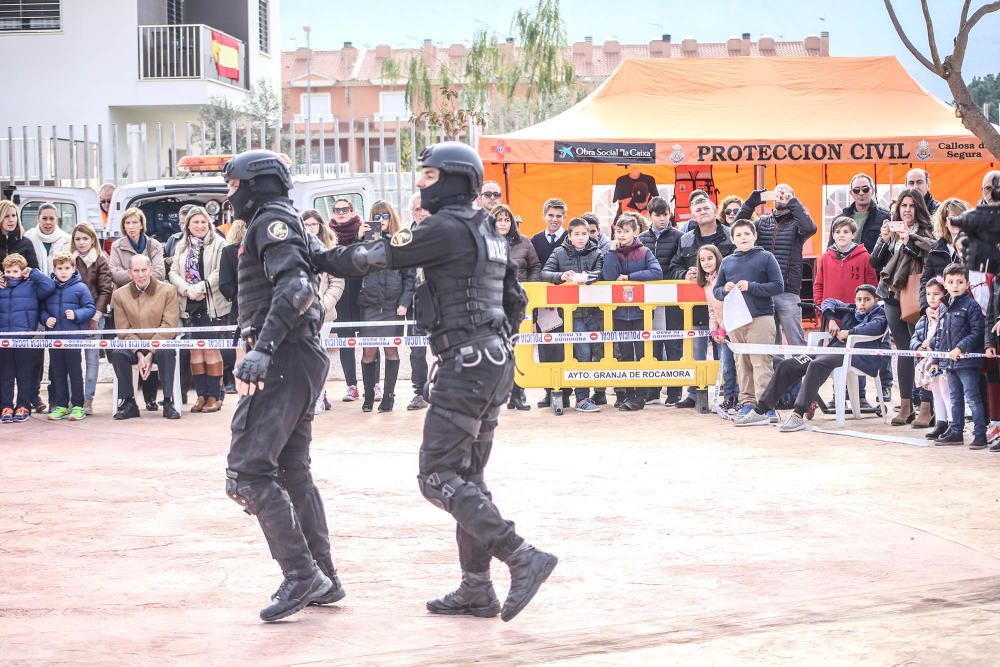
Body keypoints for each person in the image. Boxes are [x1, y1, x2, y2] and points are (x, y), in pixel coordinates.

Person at [315, 141, 558, 623]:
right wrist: (497, 341)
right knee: (468, 478)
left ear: (451, 180)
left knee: (437, 476)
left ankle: (520, 555)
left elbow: (375, 257)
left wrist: (316, 257)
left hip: (464, 364)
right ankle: (476, 589)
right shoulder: (486, 229)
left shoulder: (445, 227)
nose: (420, 182)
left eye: (428, 175)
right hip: (492, 361)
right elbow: (515, 297)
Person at [222, 150, 344, 622]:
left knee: (248, 472)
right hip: (298, 355)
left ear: (255, 184)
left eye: (234, 184)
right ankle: (323, 576)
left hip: (285, 356)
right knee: (292, 469)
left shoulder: (270, 222)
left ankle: (301, 574)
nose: (229, 193)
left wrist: (263, 349)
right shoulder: (281, 220)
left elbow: (295, 289)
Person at [736, 284, 888, 431]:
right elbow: (828, 302)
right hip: (833, 351)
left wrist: (850, 332)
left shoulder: (879, 314)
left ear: (875, 300)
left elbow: (875, 327)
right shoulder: (851, 310)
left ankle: (798, 414)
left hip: (857, 355)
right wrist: (831, 319)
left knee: (816, 364)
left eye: (867, 299)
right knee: (787, 365)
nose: (862, 303)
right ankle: (761, 410)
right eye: (859, 299)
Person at [870, 189, 934, 425]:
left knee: (922, 351)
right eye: (902, 205)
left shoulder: (925, 233)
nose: (906, 209)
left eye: (911, 205)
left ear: (919, 208)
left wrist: (910, 242)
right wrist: (883, 239)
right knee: (904, 352)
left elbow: (930, 258)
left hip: (916, 295)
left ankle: (927, 406)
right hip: (891, 296)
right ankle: (906, 405)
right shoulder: (893, 233)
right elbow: (874, 262)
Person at [669, 195, 735, 408]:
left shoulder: (730, 236)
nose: (702, 211)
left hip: (725, 307)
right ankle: (695, 394)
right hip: (696, 308)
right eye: (697, 209)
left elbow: (738, 265)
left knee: (725, 352)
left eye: (706, 207)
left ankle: (729, 395)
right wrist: (684, 275)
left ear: (715, 211)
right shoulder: (685, 239)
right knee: (696, 352)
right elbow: (673, 267)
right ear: (693, 216)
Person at [718, 219, 784, 422]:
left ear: (754, 236)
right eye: (738, 235)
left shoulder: (766, 257)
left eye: (747, 234)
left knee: (761, 361)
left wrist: (752, 287)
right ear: (732, 239)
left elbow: (778, 286)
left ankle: (767, 406)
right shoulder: (727, 262)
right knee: (742, 362)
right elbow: (717, 290)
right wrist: (724, 289)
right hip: (736, 320)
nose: (743, 238)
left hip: (760, 317)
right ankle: (748, 403)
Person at [737, 184, 816, 348]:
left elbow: (810, 228)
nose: (782, 195)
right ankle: (777, 374)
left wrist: (792, 202)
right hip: (763, 291)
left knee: (796, 341)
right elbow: (737, 229)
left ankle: (800, 373)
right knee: (771, 342)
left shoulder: (797, 224)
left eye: (787, 193)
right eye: (778, 192)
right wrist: (750, 203)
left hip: (788, 290)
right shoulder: (760, 223)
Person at [168, 206, 230, 413]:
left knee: (210, 348)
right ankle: (201, 396)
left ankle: (214, 396)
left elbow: (221, 271)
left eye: (203, 222)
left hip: (210, 303)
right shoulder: (181, 246)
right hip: (188, 303)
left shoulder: (219, 243)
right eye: (195, 222)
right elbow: (173, 272)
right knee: (195, 350)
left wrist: (199, 287)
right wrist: (186, 289)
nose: (200, 226)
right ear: (188, 225)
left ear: (209, 223)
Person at [356, 200, 414, 413]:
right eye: (376, 217)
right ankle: (369, 396)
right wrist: (359, 239)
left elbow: (410, 276)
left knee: (391, 349)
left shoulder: (400, 242)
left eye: (384, 216)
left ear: (391, 218)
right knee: (368, 351)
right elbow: (353, 266)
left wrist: (404, 302)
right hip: (370, 304)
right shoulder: (365, 243)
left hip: (393, 306)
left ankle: (388, 397)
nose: (381, 221)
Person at [542, 216, 604, 413]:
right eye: (576, 234)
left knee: (596, 352)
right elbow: (545, 273)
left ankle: (592, 394)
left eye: (584, 233)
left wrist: (590, 277)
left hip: (594, 311)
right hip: (571, 314)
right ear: (569, 236)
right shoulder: (559, 252)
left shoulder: (596, 251)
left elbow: (603, 271)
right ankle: (581, 398)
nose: (581, 237)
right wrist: (560, 276)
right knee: (582, 353)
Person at [602, 213, 663, 411]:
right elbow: (609, 276)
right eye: (618, 231)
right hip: (619, 313)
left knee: (644, 353)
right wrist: (611, 253)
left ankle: (641, 396)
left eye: (626, 231)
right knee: (625, 353)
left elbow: (656, 272)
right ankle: (628, 393)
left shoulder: (644, 252)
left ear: (635, 232)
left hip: (641, 312)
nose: (621, 235)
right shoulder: (611, 252)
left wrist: (629, 277)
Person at [110, 254, 181, 421]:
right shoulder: (119, 295)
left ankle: (169, 401)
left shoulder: (168, 291)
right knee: (118, 354)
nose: (141, 275)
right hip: (133, 344)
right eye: (136, 271)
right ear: (129, 273)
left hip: (159, 342)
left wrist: (150, 351)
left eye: (144, 270)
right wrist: (139, 353)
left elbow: (169, 325)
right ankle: (128, 403)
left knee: (167, 353)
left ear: (151, 270)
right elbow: (123, 329)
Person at [927, 263, 987, 447]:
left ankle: (980, 435)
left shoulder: (972, 306)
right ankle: (956, 432)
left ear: (967, 284)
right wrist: (936, 359)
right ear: (944, 284)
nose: (955, 286)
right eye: (951, 282)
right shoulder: (944, 307)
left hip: (967, 363)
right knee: (955, 398)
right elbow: (939, 334)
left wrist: (961, 348)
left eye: (960, 282)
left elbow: (978, 331)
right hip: (949, 364)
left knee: (972, 397)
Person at [329, 197, 379, 403]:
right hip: (341, 295)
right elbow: (336, 259)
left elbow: (365, 259)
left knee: (371, 341)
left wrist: (359, 239)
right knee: (345, 341)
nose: (340, 212)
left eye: (344, 209)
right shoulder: (329, 234)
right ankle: (351, 386)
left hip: (362, 292)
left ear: (352, 210)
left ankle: (374, 384)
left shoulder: (365, 228)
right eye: (337, 209)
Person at [493, 203, 540, 410]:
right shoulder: (483, 242)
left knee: (516, 349)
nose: (503, 223)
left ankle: (518, 394)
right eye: (499, 219)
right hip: (491, 303)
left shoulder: (524, 242)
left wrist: (529, 287)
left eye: (506, 219)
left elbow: (535, 266)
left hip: (515, 305)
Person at [0, 254, 55, 422]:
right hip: (4, 339)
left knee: (25, 375)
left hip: (25, 339)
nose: (11, 274)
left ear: (23, 272)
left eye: (15, 271)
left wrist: (34, 273)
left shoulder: (31, 287)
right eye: (8, 271)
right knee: (5, 375)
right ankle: (6, 406)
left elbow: (49, 286)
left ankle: (23, 405)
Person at [42, 251, 96, 421]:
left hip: (73, 339)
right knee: (57, 372)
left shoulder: (81, 287)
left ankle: (78, 406)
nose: (63, 271)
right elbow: (41, 308)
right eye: (60, 268)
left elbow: (90, 308)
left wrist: (77, 314)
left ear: (74, 269)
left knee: (75, 372)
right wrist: (46, 319)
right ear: (54, 269)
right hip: (54, 339)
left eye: (67, 268)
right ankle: (61, 405)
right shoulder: (49, 288)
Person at [638, 196, 682, 405]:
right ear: (650, 215)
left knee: (674, 343)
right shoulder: (641, 238)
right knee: (651, 343)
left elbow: (678, 263)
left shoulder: (679, 237)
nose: (662, 219)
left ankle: (674, 391)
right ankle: (652, 390)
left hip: (673, 296)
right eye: (658, 215)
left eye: (665, 214)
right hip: (648, 298)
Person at [302, 209, 345, 414]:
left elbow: (337, 284)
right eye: (306, 224)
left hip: (323, 315)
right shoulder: (295, 249)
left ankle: (319, 397)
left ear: (320, 226)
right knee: (301, 359)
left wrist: (322, 305)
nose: (310, 228)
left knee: (317, 357)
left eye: (313, 224)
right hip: (299, 315)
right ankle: (305, 399)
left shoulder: (329, 250)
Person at [530, 198, 568, 409]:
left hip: (567, 301)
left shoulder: (570, 238)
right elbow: (533, 267)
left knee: (565, 345)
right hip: (543, 302)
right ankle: (549, 390)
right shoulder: (535, 240)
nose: (554, 219)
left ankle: (565, 391)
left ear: (564, 218)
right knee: (545, 346)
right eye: (551, 215)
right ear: (544, 216)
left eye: (558, 216)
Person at [72, 223, 113, 415]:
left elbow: (105, 290)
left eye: (85, 238)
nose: (81, 242)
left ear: (92, 240)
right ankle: (74, 399)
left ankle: (88, 399)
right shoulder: (70, 260)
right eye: (77, 239)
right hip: (72, 317)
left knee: (92, 358)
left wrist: (96, 316)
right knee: (72, 359)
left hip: (95, 316)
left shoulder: (101, 261)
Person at [696, 244, 739, 412]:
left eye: (709, 258)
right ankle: (730, 399)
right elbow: (711, 310)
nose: (706, 262)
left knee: (735, 365)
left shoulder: (725, 279)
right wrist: (713, 330)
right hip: (721, 330)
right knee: (727, 365)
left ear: (717, 258)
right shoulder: (706, 283)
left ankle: (739, 398)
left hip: (733, 328)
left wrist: (723, 329)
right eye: (702, 260)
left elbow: (731, 306)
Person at [912, 277, 951, 440]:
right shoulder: (924, 317)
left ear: (944, 294)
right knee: (936, 390)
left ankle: (952, 423)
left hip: (943, 359)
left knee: (946, 391)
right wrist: (918, 345)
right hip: (929, 361)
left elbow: (946, 335)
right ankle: (940, 422)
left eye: (936, 294)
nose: (932, 298)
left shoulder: (947, 312)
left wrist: (932, 343)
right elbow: (915, 336)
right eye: (928, 294)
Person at [815, 217, 878, 307]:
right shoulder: (825, 258)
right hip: (831, 314)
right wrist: (822, 310)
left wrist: (867, 310)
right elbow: (818, 286)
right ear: (833, 235)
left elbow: (872, 286)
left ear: (853, 235)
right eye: (838, 232)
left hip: (857, 314)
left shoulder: (864, 257)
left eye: (846, 232)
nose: (841, 235)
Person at [405, 192, 431, 411]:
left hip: (441, 300)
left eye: (425, 207)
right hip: (415, 302)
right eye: (417, 209)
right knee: (417, 350)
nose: (421, 212)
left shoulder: (444, 234)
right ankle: (420, 392)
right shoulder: (405, 236)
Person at [830, 173, 890, 253]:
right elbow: (830, 250)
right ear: (851, 193)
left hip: (873, 264)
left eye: (865, 189)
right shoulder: (838, 220)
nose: (861, 193)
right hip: (844, 264)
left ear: (872, 190)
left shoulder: (886, 218)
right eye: (856, 190)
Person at [24, 202, 71, 275]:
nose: (48, 222)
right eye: (44, 218)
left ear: (57, 220)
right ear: (38, 219)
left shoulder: (66, 239)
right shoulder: (28, 237)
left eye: (52, 218)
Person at [0, 201, 40, 270]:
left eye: (13, 215)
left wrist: (23, 276)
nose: (11, 220)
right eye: (6, 216)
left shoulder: (26, 243)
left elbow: (35, 272)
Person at [163, 203, 195, 274]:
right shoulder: (173, 239)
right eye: (182, 223)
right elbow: (159, 262)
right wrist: (167, 260)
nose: (185, 227)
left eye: (188, 222)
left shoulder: (210, 240)